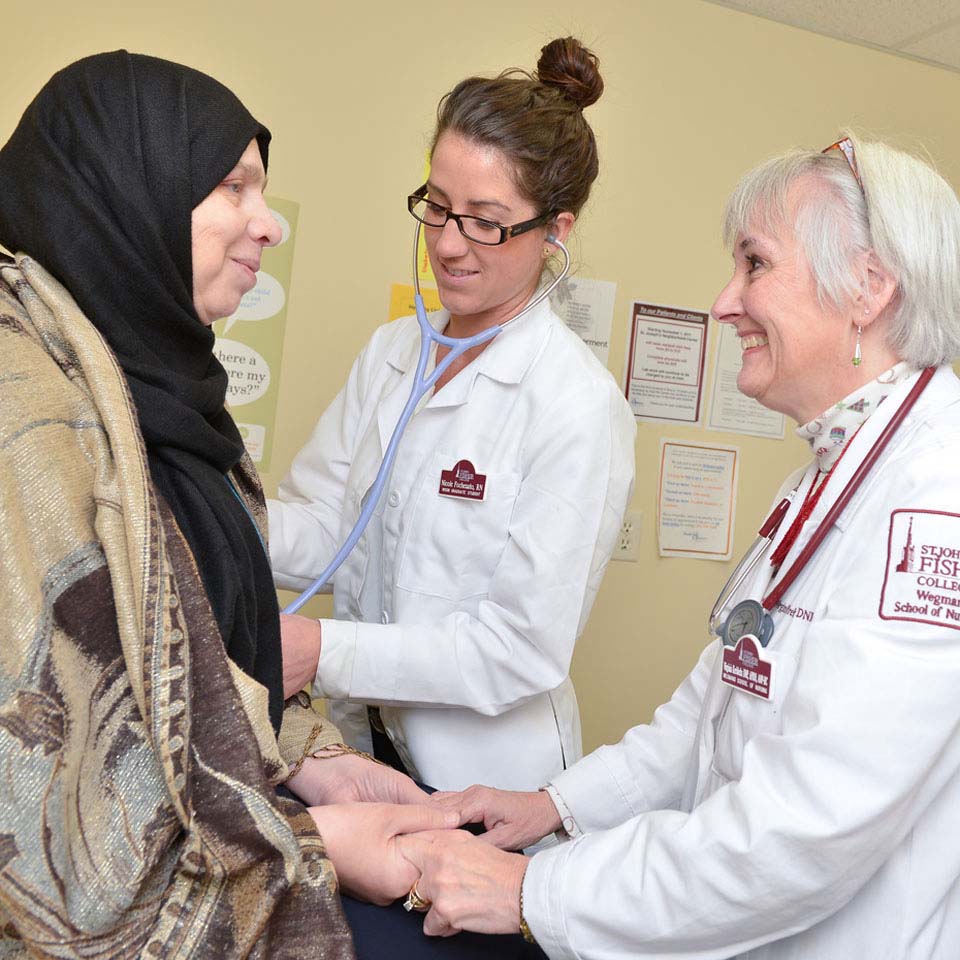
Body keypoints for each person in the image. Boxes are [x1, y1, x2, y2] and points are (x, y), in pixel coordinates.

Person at [398, 134, 960, 959]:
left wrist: (533, 889)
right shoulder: (826, 477)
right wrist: (555, 805)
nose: (724, 303)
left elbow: (804, 831)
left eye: (755, 265)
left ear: (869, 289)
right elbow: (716, 700)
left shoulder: (935, 499)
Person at [0, 51, 470, 958]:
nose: (268, 225)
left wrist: (316, 766)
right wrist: (313, 840)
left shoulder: (172, 403)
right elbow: (51, 819)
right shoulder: (25, 403)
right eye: (231, 186)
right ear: (124, 191)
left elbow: (211, 651)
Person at [272, 37, 636, 793]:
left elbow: (517, 648)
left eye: (486, 221)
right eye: (437, 206)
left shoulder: (575, 403)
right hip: (360, 749)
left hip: (487, 785)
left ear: (556, 232)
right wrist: (204, 512)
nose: (447, 243)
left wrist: (321, 649)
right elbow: (329, 530)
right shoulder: (391, 354)